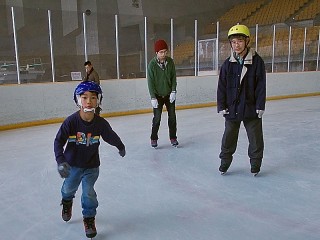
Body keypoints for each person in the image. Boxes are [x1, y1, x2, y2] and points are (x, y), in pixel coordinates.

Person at [54, 81, 126, 238]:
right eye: (84, 97)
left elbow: (110, 136)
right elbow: (58, 141)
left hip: (91, 167)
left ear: (98, 100)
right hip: (72, 166)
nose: (89, 101)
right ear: (78, 100)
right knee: (68, 189)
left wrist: (120, 146)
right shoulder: (71, 122)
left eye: (93, 97)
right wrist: (61, 161)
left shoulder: (100, 123)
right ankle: (67, 202)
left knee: (88, 193)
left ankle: (89, 218)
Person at [217, 24, 266, 176]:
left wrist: (260, 105)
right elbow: (222, 86)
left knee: (255, 137)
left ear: (247, 41)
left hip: (251, 107)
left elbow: (261, 86)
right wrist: (222, 105)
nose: (236, 45)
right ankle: (225, 160)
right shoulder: (227, 64)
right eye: (233, 42)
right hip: (232, 107)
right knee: (229, 136)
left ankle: (255, 163)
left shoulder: (257, 62)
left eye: (239, 41)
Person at [147, 39, 178, 148]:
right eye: (161, 52)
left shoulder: (170, 62)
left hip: (169, 94)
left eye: (165, 51)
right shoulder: (152, 65)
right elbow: (150, 82)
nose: (163, 54)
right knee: (157, 118)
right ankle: (154, 138)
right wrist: (152, 97)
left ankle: (173, 137)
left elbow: (174, 77)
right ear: (156, 53)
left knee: (172, 117)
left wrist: (174, 90)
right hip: (157, 96)